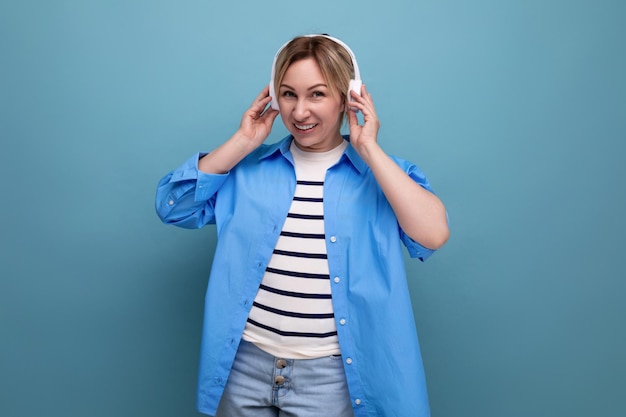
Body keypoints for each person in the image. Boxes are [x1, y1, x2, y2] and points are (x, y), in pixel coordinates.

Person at [156, 34, 449, 417]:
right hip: (243, 364)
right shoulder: (247, 169)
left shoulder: (384, 176)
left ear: (348, 98)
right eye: (289, 94)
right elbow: (173, 206)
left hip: (329, 377)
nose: (299, 112)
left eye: (317, 94)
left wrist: (370, 149)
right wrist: (243, 141)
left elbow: (432, 234)